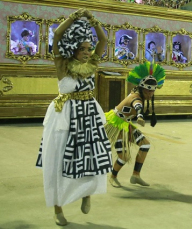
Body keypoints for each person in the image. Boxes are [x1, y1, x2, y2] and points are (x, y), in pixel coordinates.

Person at [35, 9, 113, 226]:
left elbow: (104, 39)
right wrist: (73, 17)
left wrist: (92, 20)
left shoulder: (92, 65)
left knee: (90, 155)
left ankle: (86, 193)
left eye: (89, 48)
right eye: (82, 49)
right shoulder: (62, 64)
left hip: (88, 115)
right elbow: (57, 36)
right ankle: (57, 208)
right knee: (59, 158)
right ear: (73, 49)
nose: (87, 52)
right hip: (66, 117)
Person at [106, 61, 166, 188]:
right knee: (123, 157)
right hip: (116, 125)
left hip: (125, 124)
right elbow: (137, 105)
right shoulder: (136, 97)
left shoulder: (139, 94)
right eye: (148, 91)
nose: (150, 94)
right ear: (142, 88)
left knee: (145, 145)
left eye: (152, 91)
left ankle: (136, 175)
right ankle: (112, 176)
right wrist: (139, 115)